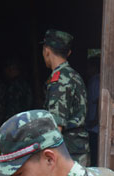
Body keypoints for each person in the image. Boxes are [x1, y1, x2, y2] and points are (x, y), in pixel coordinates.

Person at [42, 30, 90, 167]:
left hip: (67, 154)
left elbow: (56, 126)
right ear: (68, 53)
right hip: (77, 151)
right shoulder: (73, 75)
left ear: (46, 50)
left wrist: (48, 160)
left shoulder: (59, 80)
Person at [85, 48, 101, 167]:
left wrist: (94, 121)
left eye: (89, 67)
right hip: (92, 125)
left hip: (94, 127)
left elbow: (99, 101)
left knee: (94, 157)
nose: (87, 70)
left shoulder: (96, 81)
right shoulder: (93, 80)